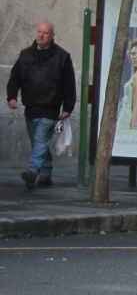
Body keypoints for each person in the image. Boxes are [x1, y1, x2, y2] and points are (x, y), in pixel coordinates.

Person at [5, 21, 76, 190]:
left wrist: (68, 107)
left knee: (40, 139)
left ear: (52, 36)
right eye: (39, 32)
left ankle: (32, 171)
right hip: (31, 107)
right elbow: (15, 78)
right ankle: (46, 174)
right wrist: (12, 97)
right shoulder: (26, 55)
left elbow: (69, 84)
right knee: (39, 143)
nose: (41, 35)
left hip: (50, 108)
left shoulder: (62, 56)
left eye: (45, 33)